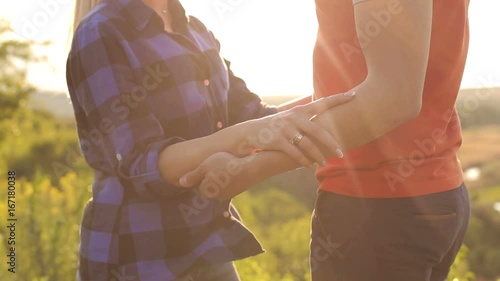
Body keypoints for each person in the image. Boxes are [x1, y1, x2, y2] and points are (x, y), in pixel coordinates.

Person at [182, 0, 471, 280]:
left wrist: (251, 170)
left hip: (377, 210)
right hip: (430, 197)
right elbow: (358, 91)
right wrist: (255, 133)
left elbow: (395, 99)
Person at [67, 0, 353, 280]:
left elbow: (255, 117)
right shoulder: (101, 32)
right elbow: (141, 163)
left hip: (205, 246)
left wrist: (348, 99)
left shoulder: (196, 31)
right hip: (138, 257)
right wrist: (245, 134)